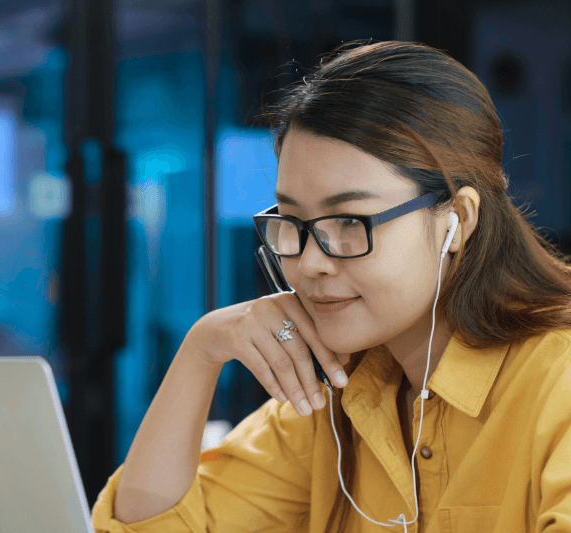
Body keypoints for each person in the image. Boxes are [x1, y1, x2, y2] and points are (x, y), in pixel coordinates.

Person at [90, 40, 571, 532]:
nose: (311, 261)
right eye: (293, 220)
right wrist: (203, 348)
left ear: (458, 220)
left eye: (349, 220)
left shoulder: (558, 381)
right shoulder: (338, 391)